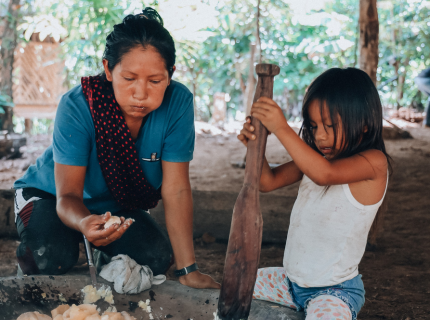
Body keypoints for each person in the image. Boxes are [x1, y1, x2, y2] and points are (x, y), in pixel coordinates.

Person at [13, 7, 219, 289]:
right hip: (52, 196)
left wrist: (188, 269)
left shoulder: (177, 103)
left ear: (170, 74)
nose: (140, 93)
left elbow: (177, 189)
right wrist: (85, 222)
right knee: (49, 258)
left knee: (155, 258)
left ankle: (100, 251)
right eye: (129, 78)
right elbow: (69, 195)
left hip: (113, 205)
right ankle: (68, 240)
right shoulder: (78, 106)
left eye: (155, 81)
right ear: (108, 69)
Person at [238, 68, 391, 320]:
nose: (320, 136)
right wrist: (255, 146)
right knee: (237, 285)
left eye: (330, 126)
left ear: (364, 123)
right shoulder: (315, 159)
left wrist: (281, 127)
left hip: (334, 291)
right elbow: (266, 181)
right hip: (290, 283)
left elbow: (325, 174)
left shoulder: (374, 162)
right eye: (313, 125)